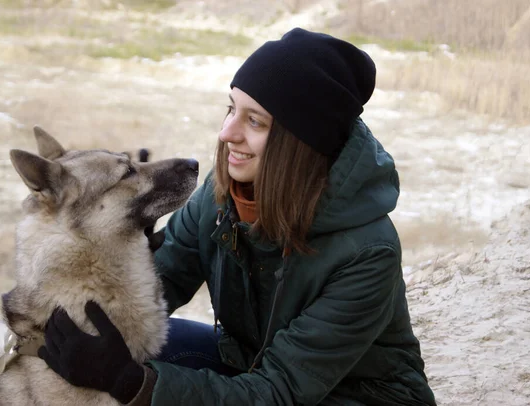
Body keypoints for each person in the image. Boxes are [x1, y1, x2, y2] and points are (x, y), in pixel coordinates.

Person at [38, 28, 436, 405]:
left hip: (354, 396)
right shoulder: (220, 197)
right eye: (232, 108)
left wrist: (129, 383)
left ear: (300, 144)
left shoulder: (367, 252)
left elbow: (279, 393)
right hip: (250, 366)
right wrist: (120, 257)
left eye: (255, 121)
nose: (227, 132)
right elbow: (158, 289)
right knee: (119, 345)